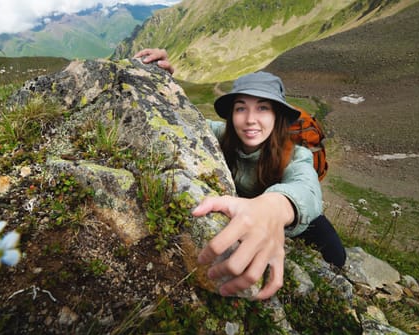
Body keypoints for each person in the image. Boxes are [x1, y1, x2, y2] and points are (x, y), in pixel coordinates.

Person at [134, 48, 346, 300]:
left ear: (277, 116)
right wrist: (164, 80)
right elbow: (184, 119)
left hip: (295, 221)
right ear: (232, 114)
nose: (250, 120)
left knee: (336, 257)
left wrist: (272, 208)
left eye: (263, 108)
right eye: (241, 108)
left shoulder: (295, 154)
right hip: (246, 213)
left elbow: (307, 189)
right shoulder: (220, 135)